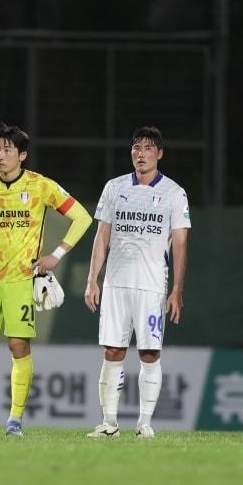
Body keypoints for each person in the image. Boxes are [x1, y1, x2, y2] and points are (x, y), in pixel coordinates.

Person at [0, 123, 93, 436]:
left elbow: (82, 217)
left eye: (8, 150)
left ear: (22, 155)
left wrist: (56, 255)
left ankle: (14, 421)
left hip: (20, 282)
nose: (0, 155)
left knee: (18, 347)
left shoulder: (40, 186)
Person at [84, 126, 190, 438]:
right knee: (113, 351)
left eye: (147, 148)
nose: (140, 153)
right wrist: (93, 280)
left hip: (152, 286)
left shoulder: (174, 193)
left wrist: (177, 290)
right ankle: (109, 423)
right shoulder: (114, 188)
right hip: (116, 283)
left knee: (149, 353)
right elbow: (102, 237)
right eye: (136, 147)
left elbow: (181, 244)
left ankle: (144, 423)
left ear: (159, 153)